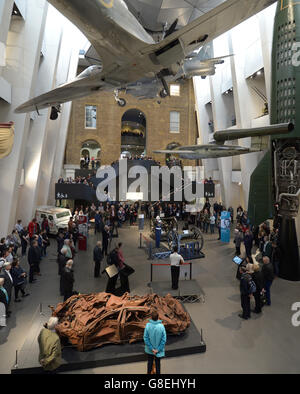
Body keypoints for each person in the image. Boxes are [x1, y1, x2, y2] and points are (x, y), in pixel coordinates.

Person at [143, 311, 167, 375]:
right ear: (158, 317)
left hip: (150, 350)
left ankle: (148, 373)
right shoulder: (161, 326)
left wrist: (151, 349)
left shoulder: (148, 326)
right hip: (158, 350)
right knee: (158, 363)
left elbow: (145, 338)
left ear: (151, 317)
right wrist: (158, 349)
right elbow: (163, 339)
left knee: (150, 362)